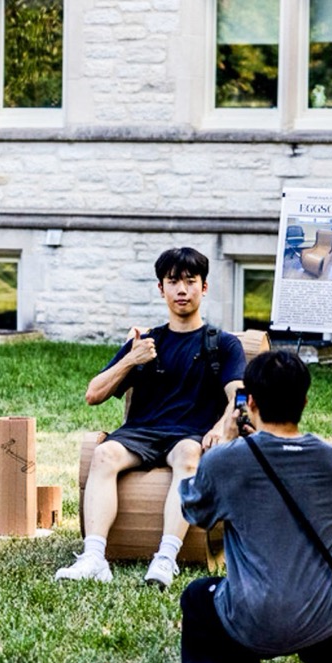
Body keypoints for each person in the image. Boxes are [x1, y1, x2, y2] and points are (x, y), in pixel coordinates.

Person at [178, 350, 332, 663]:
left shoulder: (227, 460)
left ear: (249, 402)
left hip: (253, 618)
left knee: (197, 596)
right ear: (304, 400)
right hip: (324, 616)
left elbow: (195, 511)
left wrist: (225, 445)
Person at [55, 247, 245, 590]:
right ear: (161, 289)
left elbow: (240, 395)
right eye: (173, 282)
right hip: (141, 433)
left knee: (188, 454)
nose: (182, 290)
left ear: (205, 288)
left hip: (190, 434)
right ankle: (94, 557)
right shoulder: (145, 342)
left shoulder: (223, 344)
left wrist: (221, 426)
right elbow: (93, 394)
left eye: (190, 281)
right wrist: (131, 359)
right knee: (103, 454)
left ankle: (166, 558)